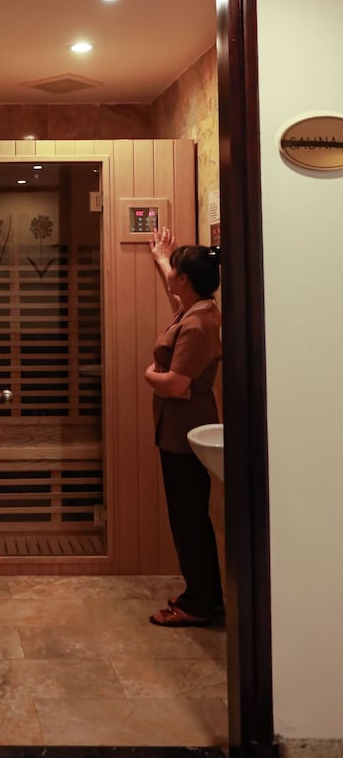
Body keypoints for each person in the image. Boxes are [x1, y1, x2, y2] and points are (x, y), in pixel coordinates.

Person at [145, 227, 224, 627]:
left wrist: (149, 375)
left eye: (176, 271)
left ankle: (199, 604)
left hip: (185, 430)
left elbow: (176, 385)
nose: (171, 278)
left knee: (188, 517)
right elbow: (176, 295)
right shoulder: (197, 308)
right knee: (188, 513)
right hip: (181, 427)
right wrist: (163, 258)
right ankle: (205, 595)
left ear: (186, 279)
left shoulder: (198, 324)